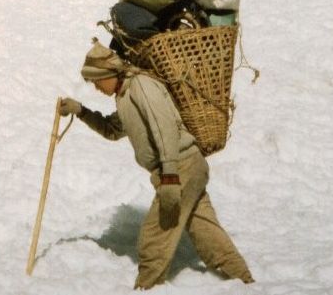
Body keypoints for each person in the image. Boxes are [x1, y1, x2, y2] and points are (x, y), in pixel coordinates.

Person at [61, 39, 254, 289]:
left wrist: (171, 176)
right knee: (206, 231)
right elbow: (111, 130)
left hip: (179, 166)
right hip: (183, 167)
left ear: (109, 73)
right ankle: (246, 282)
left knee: (154, 237)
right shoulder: (124, 96)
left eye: (97, 81)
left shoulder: (141, 85)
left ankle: (146, 287)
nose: (96, 88)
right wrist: (81, 111)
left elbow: (164, 128)